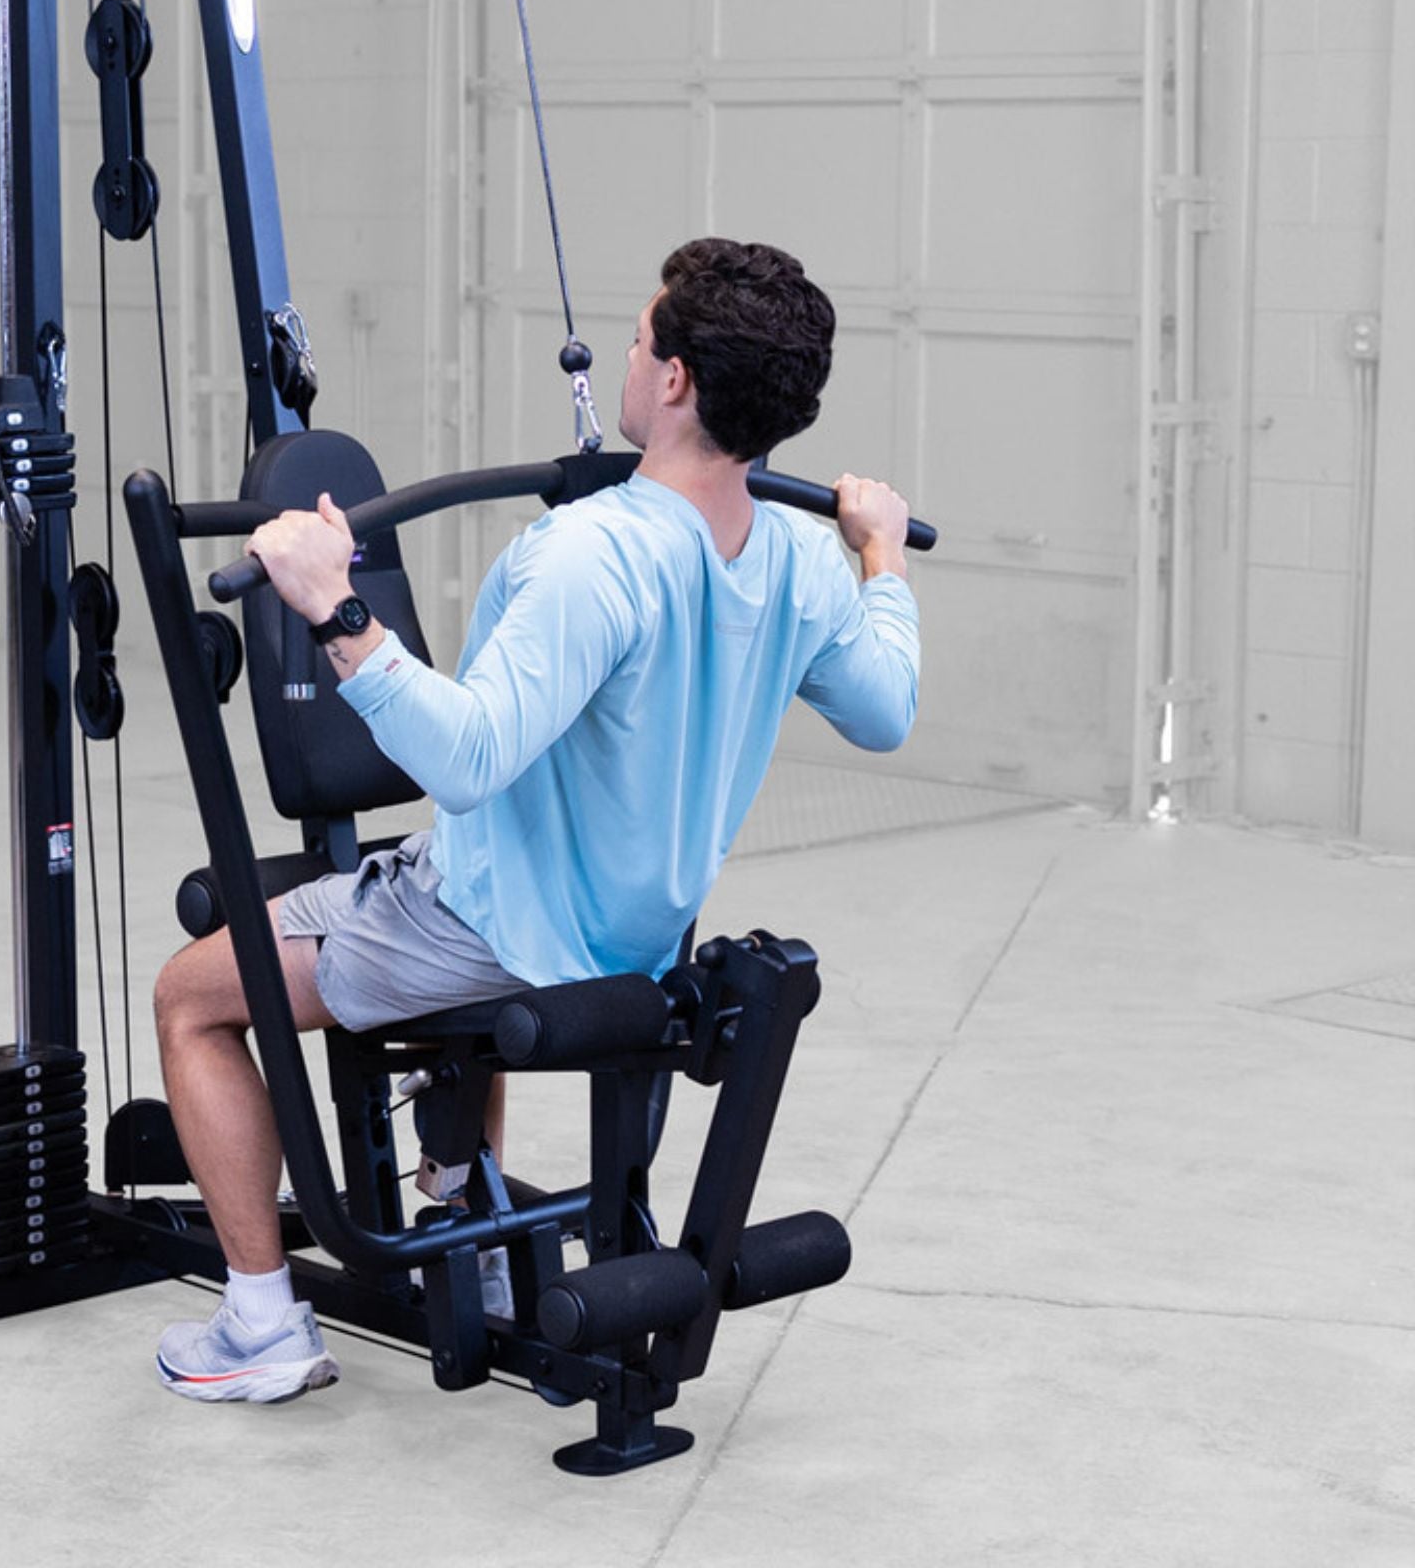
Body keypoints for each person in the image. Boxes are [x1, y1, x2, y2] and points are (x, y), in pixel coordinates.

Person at [151, 239, 920, 1403]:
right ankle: (473, 1228)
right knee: (428, 875)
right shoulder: (808, 563)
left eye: (638, 334)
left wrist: (333, 603)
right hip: (634, 937)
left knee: (190, 994)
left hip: (488, 928)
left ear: (669, 381)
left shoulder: (588, 555)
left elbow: (463, 758)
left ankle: (258, 1320)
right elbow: (885, 705)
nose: (626, 349)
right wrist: (879, 555)